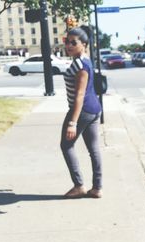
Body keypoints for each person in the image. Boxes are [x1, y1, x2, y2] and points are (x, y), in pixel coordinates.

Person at [60, 27, 103, 199]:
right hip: (94, 109)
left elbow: (79, 94)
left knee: (66, 145)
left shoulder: (80, 64)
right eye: (67, 41)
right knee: (93, 149)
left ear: (83, 45)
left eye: (73, 42)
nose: (68, 45)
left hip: (82, 110)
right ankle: (97, 188)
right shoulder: (85, 60)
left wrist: (72, 122)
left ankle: (79, 186)